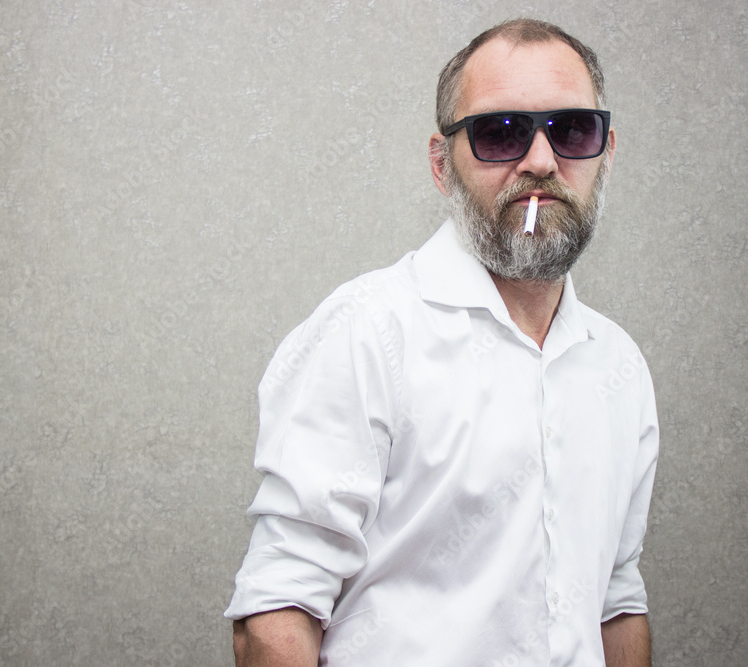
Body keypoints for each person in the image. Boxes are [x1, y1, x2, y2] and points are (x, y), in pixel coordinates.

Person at [225, 18, 659, 667]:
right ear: (441, 164)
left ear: (607, 152)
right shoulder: (368, 333)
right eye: (500, 132)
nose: (541, 162)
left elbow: (615, 599)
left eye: (572, 130)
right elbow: (275, 611)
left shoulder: (617, 364)